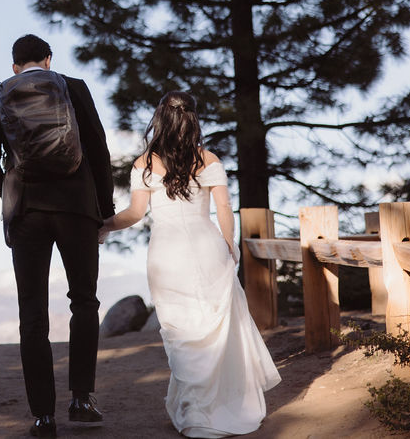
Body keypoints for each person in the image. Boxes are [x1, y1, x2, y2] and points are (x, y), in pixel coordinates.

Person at [99, 91, 281, 438]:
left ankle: (194, 410)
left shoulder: (144, 163)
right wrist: (231, 247)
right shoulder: (208, 159)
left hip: (167, 255)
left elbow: (135, 214)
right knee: (212, 328)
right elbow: (225, 210)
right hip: (206, 247)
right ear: (193, 119)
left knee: (180, 333)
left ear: (160, 120)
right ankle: (214, 407)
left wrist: (105, 224)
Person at [0, 34, 115, 437]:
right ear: (49, 60)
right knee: (84, 301)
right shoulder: (73, 88)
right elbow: (99, 151)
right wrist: (102, 211)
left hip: (28, 215)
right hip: (77, 209)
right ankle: (81, 399)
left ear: (15, 65)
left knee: (32, 313)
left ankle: (42, 416)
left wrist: (11, 190)